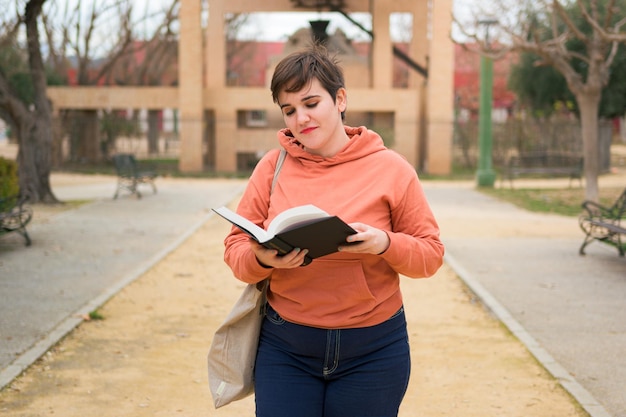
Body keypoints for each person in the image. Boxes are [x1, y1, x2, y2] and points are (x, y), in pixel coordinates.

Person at [222, 45, 444, 417]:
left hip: (374, 351)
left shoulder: (392, 168)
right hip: (285, 348)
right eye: (289, 110)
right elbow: (235, 251)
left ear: (340, 99)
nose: (301, 118)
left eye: (311, 103)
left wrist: (384, 244)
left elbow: (430, 255)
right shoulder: (271, 167)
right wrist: (260, 258)